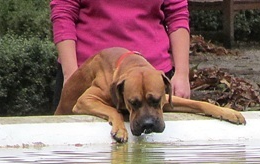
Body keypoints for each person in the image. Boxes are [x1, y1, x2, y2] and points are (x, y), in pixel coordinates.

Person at [50, 0, 191, 108]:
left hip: (153, 80)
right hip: (89, 78)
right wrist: (71, 77)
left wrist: (182, 74)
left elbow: (177, 13)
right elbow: (63, 12)